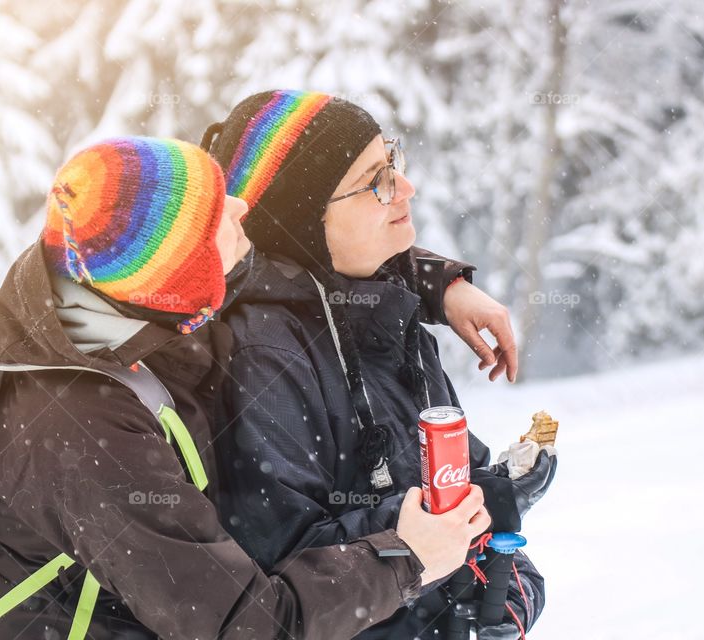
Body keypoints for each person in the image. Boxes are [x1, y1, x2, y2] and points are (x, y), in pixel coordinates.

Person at [0, 136, 493, 639]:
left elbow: (305, 264)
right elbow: (245, 624)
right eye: (216, 211)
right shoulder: (82, 431)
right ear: (181, 268)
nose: (241, 207)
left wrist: (438, 286)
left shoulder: (130, 301)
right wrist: (406, 556)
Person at [204, 91, 556, 639]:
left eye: (393, 162)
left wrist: (507, 590)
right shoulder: (267, 357)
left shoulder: (391, 312)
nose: (406, 188)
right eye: (376, 180)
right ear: (304, 219)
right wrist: (454, 535)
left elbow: (448, 484)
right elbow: (289, 569)